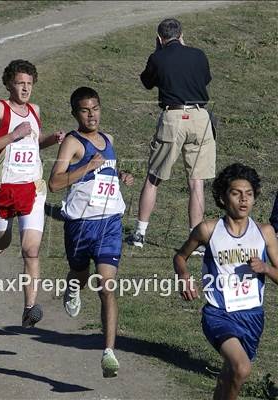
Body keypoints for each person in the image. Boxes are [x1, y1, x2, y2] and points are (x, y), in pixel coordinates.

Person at [173, 163, 278, 400]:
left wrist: (266, 268)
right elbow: (180, 256)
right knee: (242, 368)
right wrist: (184, 276)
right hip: (219, 314)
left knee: (230, 375)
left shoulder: (265, 232)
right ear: (222, 197)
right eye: (236, 193)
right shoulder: (209, 230)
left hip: (252, 316)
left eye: (249, 194)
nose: (243, 200)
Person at [49, 87, 133, 378]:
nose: (92, 114)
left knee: (107, 286)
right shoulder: (73, 143)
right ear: (76, 114)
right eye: (85, 110)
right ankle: (73, 286)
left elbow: (107, 171)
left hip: (109, 221)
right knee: (80, 275)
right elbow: (55, 183)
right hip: (81, 224)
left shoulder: (108, 139)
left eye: (95, 108)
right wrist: (85, 168)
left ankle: (109, 351)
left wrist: (120, 175)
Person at [0, 59, 65, 328]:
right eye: (20, 83)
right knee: (2, 243)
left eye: (29, 84)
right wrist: (13, 135)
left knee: (31, 251)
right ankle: (3, 235)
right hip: (4, 189)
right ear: (9, 84)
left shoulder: (35, 110)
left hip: (32, 190)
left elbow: (34, 143)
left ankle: (29, 308)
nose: (25, 89)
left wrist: (51, 139)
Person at [128, 18, 216, 255]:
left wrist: (159, 54)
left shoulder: (158, 57)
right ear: (182, 34)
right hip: (200, 117)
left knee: (154, 176)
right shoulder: (198, 54)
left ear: (160, 38)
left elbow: (147, 82)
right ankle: (195, 239)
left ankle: (140, 232)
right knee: (196, 181)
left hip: (173, 116)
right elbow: (204, 80)